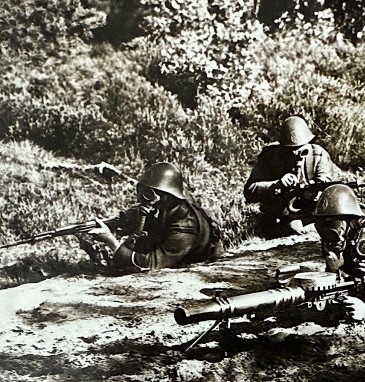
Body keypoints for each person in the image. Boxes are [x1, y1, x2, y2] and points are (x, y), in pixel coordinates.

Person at [83, 162, 223, 274]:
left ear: (167, 196)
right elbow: (130, 218)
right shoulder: (164, 206)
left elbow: (150, 265)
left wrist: (111, 242)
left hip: (196, 266)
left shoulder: (186, 225)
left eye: (148, 194)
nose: (142, 199)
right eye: (142, 192)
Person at [244, 115, 344, 237]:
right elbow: (250, 191)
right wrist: (277, 184)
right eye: (290, 150)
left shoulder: (318, 155)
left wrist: (313, 192)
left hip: (312, 212)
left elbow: (327, 186)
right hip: (281, 215)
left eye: (301, 148)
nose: (296, 153)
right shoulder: (270, 157)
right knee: (293, 227)